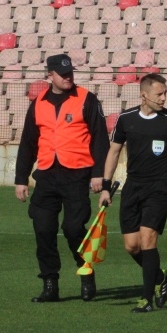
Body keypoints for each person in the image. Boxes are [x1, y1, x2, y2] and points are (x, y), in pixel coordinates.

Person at [100, 73, 167, 313]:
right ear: (144, 95)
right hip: (133, 186)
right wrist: (105, 186)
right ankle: (159, 277)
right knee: (131, 246)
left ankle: (146, 300)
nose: (164, 98)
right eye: (159, 94)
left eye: (165, 93)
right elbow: (113, 151)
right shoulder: (126, 119)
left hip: (159, 187)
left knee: (147, 239)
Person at [14, 54, 109, 303]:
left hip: (77, 174)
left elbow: (100, 139)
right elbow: (28, 143)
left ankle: (86, 272)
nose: (68, 77)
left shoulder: (87, 99)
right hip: (46, 175)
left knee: (73, 228)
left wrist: (99, 174)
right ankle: (50, 284)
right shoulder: (38, 103)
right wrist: (21, 178)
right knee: (43, 229)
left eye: (70, 73)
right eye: (63, 74)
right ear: (50, 75)